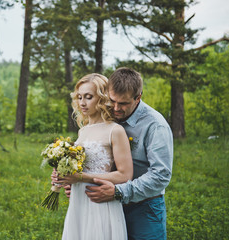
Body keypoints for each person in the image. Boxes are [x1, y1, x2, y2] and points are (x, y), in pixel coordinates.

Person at [60, 67, 174, 240]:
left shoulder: (155, 125)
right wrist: (74, 182)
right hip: (105, 202)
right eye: (112, 101)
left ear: (138, 98)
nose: (116, 108)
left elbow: (161, 175)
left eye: (123, 104)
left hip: (143, 205)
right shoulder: (107, 119)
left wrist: (118, 192)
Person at [54, 73, 133, 240]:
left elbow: (125, 175)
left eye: (89, 97)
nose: (82, 102)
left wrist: (81, 178)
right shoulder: (82, 130)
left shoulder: (115, 130)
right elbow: (78, 168)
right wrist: (62, 173)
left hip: (100, 200)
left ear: (102, 98)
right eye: (80, 97)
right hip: (78, 201)